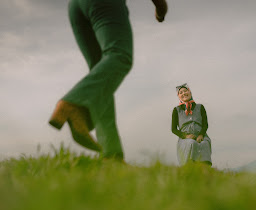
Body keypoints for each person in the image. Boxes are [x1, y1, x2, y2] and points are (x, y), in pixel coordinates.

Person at [49, 0, 168, 160]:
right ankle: (73, 104)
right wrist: (161, 9)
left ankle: (112, 155)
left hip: (76, 7)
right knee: (119, 55)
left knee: (101, 78)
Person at [171, 83, 212, 166]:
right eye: (181, 93)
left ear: (190, 92)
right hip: (185, 137)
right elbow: (174, 129)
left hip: (201, 135)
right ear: (179, 96)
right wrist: (186, 136)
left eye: (185, 91)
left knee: (204, 144)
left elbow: (205, 124)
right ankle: (190, 168)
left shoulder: (200, 107)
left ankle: (205, 170)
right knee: (191, 143)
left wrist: (201, 135)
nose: (183, 94)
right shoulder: (176, 110)